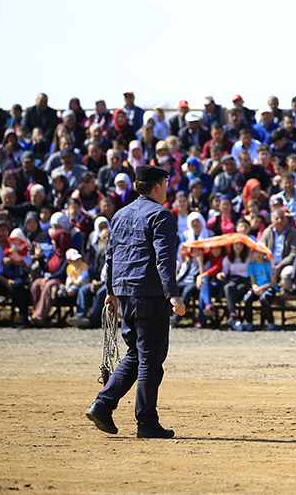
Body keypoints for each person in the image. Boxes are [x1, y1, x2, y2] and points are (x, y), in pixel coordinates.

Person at [85, 165, 186, 439]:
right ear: (157, 187)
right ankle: (146, 422)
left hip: (125, 293)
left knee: (137, 354)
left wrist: (111, 291)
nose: (166, 188)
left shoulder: (119, 214)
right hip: (150, 293)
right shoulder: (161, 215)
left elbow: (110, 256)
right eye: (165, 184)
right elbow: (165, 258)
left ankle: (103, 404)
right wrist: (173, 294)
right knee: (150, 361)